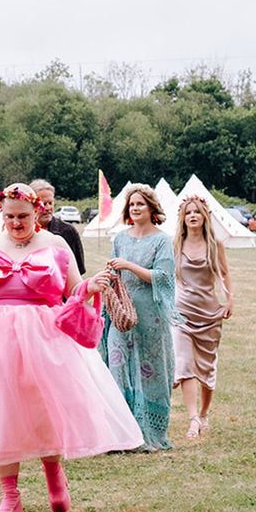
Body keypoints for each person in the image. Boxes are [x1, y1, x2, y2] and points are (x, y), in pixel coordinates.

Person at [0, 184, 143, 512]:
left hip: (44, 336)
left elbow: (73, 286)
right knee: (1, 413)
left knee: (43, 406)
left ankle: (53, 471)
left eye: (23, 217)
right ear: (1, 214)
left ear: (36, 213)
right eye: (10, 217)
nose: (16, 223)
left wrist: (89, 287)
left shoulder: (55, 245)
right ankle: (9, 496)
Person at [101, 184, 181, 451]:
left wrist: (130, 266)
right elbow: (115, 271)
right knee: (116, 366)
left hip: (150, 314)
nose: (135, 209)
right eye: (132, 205)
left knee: (149, 369)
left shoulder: (162, 240)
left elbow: (163, 277)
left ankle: (148, 433)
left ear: (151, 209)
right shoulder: (120, 239)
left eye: (140, 204)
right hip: (121, 314)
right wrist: (109, 276)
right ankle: (119, 434)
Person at [172, 194, 234, 439]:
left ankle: (205, 412)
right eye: (188, 212)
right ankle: (193, 418)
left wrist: (230, 299)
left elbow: (225, 274)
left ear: (205, 215)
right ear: (183, 218)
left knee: (207, 370)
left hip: (209, 312)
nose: (193, 216)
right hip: (182, 312)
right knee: (185, 363)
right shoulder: (176, 243)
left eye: (197, 211)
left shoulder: (215, 244)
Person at [31, 178, 86, 275]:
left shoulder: (68, 231)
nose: (48, 208)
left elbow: (79, 270)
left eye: (50, 203)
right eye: (43, 204)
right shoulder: (22, 232)